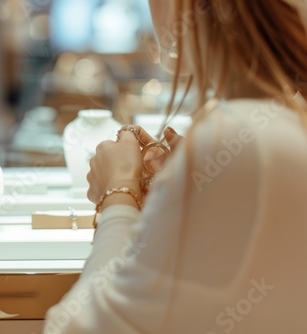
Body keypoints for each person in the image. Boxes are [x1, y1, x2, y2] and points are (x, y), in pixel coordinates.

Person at [44, 0, 307, 333]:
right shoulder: (280, 119)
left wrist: (117, 194)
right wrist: (188, 182)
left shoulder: (236, 137)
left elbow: (74, 327)